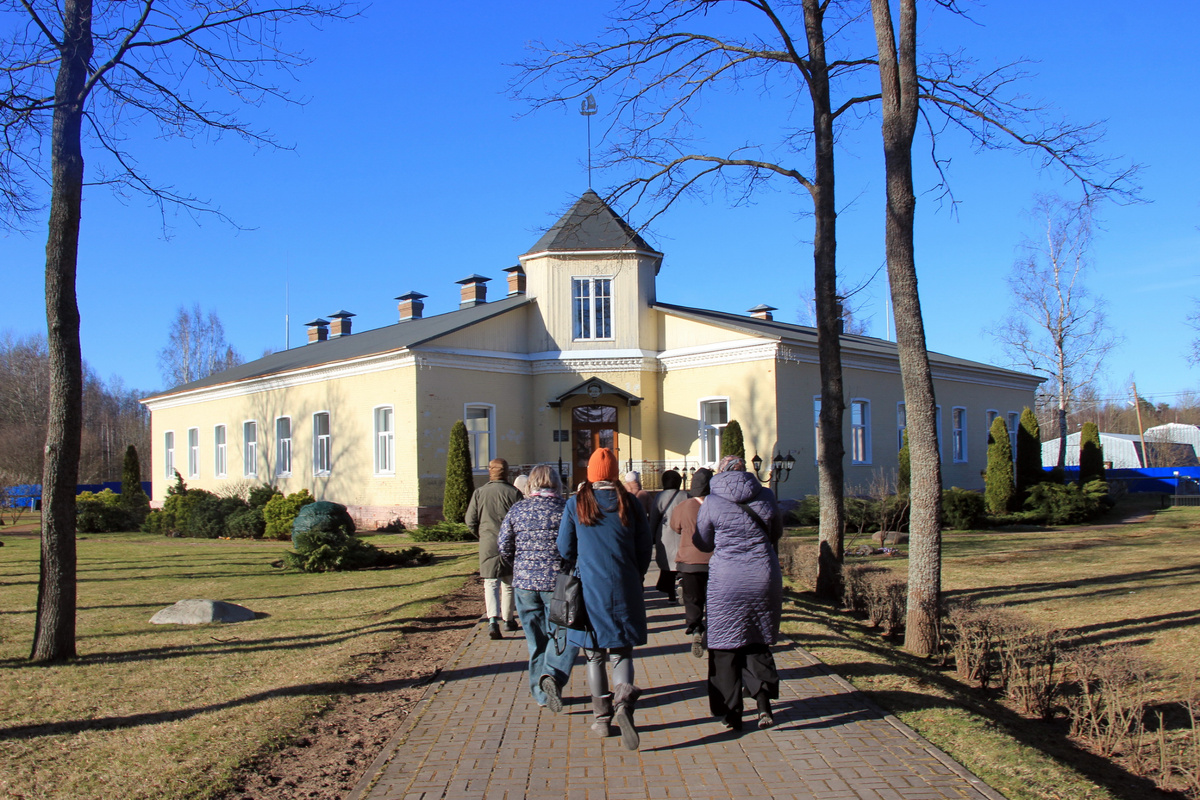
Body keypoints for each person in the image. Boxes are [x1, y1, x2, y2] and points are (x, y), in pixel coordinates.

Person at [559, 448, 652, 751]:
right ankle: (624, 702)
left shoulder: (577, 504)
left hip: (589, 586)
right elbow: (644, 546)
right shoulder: (631, 503)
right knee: (622, 650)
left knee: (594, 654)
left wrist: (580, 562)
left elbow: (564, 547)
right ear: (614, 473)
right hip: (625, 583)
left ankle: (602, 718)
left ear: (590, 474)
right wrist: (635, 575)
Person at [694, 455, 783, 731]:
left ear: (720, 472)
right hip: (761, 575)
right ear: (744, 471)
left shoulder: (712, 501)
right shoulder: (766, 495)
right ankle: (763, 704)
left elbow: (703, 541)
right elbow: (776, 532)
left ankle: (731, 712)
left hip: (726, 581)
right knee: (757, 639)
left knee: (724, 645)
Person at [498, 465, 578, 711]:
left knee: (535, 641)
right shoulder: (564, 509)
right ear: (557, 483)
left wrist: (519, 566)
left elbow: (504, 545)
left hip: (524, 584)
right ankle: (552, 676)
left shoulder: (518, 509)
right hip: (558, 583)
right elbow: (574, 545)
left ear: (531, 483)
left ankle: (541, 694)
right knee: (562, 637)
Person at [465, 457, 523, 640]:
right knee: (508, 582)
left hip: (488, 543)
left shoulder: (479, 493)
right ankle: (508, 620)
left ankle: (492, 621)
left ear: (490, 471)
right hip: (510, 544)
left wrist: (482, 535)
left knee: (490, 583)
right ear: (506, 472)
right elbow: (520, 520)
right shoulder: (514, 493)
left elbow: (470, 520)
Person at [670, 467, 713, 658]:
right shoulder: (718, 505)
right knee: (713, 599)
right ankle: (714, 631)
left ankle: (695, 628)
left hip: (688, 562)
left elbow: (675, 527)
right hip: (715, 561)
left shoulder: (683, 506)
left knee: (693, 599)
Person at [647, 469, 687, 603]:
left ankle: (671, 596)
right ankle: (682, 584)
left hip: (665, 535)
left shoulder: (660, 497)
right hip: (683, 534)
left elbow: (654, 518)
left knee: (667, 567)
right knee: (682, 563)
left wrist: (651, 536)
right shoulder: (686, 495)